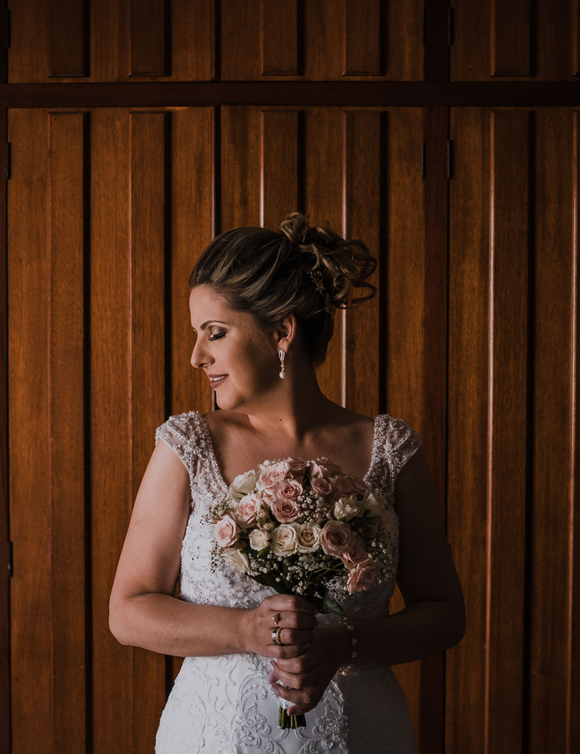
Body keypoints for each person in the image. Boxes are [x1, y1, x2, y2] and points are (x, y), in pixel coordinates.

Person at [109, 213, 466, 752]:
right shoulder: (188, 445)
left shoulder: (389, 450)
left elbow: (444, 615)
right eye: (197, 335)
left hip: (360, 732)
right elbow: (128, 611)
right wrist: (244, 631)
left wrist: (342, 643)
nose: (195, 357)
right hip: (220, 736)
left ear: (282, 331)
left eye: (216, 333)